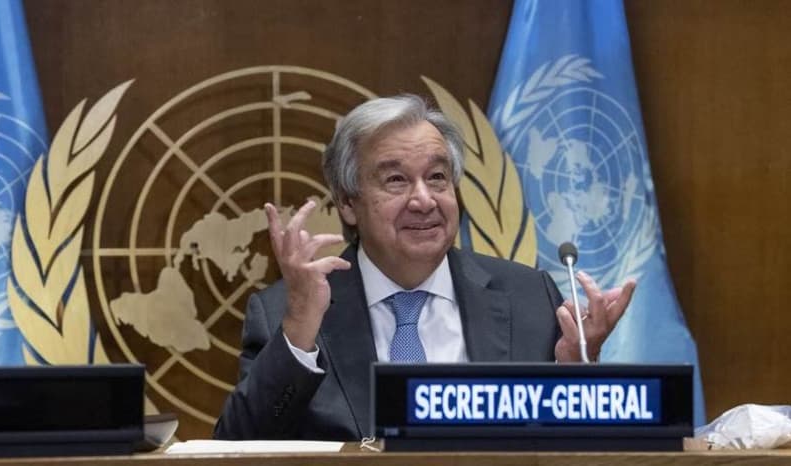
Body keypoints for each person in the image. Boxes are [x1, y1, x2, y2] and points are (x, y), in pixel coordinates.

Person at [213, 94, 635, 440]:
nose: (424, 200)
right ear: (347, 203)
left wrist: (575, 371)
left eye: (437, 177)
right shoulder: (288, 313)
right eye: (396, 180)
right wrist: (299, 332)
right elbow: (237, 448)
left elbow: (573, 447)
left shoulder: (529, 297)